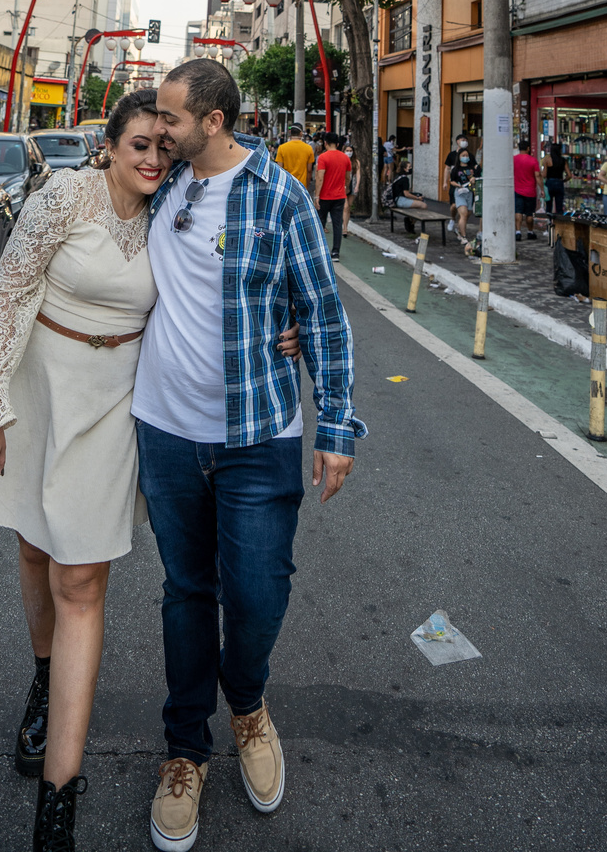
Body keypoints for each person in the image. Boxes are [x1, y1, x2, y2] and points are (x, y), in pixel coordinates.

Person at [0, 89, 302, 852]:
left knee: (79, 581)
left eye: (163, 146)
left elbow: (231, 272)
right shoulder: (63, 196)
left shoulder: (175, 208)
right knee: (33, 548)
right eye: (138, 145)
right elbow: (10, 293)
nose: (153, 158)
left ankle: (58, 807)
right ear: (109, 145)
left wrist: (282, 325)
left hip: (118, 405)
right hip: (39, 388)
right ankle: (44, 680)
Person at [136, 61, 363, 852]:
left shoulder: (280, 196)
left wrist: (335, 426)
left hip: (259, 436)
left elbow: (323, 317)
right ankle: (185, 749)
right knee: (185, 592)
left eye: (171, 118)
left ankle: (250, 705)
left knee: (259, 597)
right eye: (156, 120)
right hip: (164, 432)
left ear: (216, 121)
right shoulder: (158, 187)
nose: (159, 130)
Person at [313, 131, 352, 260]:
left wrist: (316, 195)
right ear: (338, 143)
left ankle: (319, 250)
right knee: (337, 224)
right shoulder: (345, 158)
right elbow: (348, 177)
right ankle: (335, 252)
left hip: (325, 196)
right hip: (339, 195)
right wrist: (344, 188)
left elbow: (320, 178)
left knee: (320, 224)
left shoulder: (323, 157)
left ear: (325, 143)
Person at [446, 138, 479, 247]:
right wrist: (458, 185)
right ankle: (464, 237)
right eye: (463, 156)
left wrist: (473, 179)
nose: (465, 157)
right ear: (459, 157)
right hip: (460, 193)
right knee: (463, 213)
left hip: (470, 193)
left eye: (467, 156)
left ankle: (459, 231)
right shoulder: (456, 169)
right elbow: (452, 181)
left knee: (467, 213)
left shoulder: (471, 168)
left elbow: (475, 176)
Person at [513, 137, 541, 240]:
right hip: (530, 191)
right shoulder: (533, 161)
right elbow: (537, 175)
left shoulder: (514, 159)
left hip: (517, 190)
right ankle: (530, 231)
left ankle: (518, 231)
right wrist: (542, 188)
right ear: (528, 148)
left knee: (518, 211)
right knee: (529, 213)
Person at [274, 122, 314, 189]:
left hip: (287, 186)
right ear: (301, 133)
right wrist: (307, 186)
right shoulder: (308, 148)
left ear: (290, 133)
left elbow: (279, 169)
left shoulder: (282, 148)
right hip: (302, 186)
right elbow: (309, 170)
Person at [543, 140, 566, 218]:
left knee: (548, 206)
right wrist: (563, 180)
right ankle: (559, 224)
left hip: (549, 183)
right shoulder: (563, 160)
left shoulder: (547, 160)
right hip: (559, 183)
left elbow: (544, 174)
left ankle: (549, 225)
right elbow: (569, 175)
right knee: (559, 207)